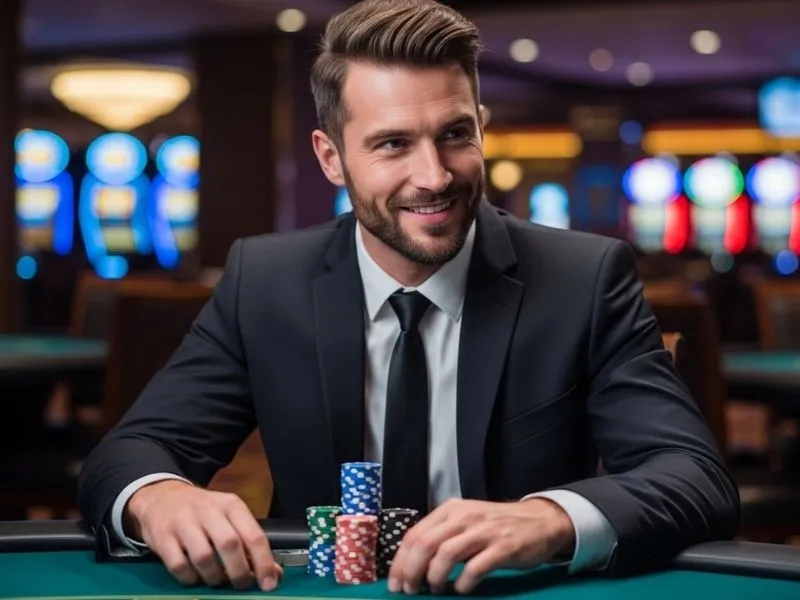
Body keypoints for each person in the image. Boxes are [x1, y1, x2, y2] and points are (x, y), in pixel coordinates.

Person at [76, 0, 739, 595]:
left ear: (480, 128)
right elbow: (133, 450)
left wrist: (549, 518)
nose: (434, 176)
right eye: (393, 144)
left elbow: (692, 475)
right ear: (331, 158)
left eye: (454, 134)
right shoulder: (267, 280)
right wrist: (160, 498)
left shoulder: (583, 278)